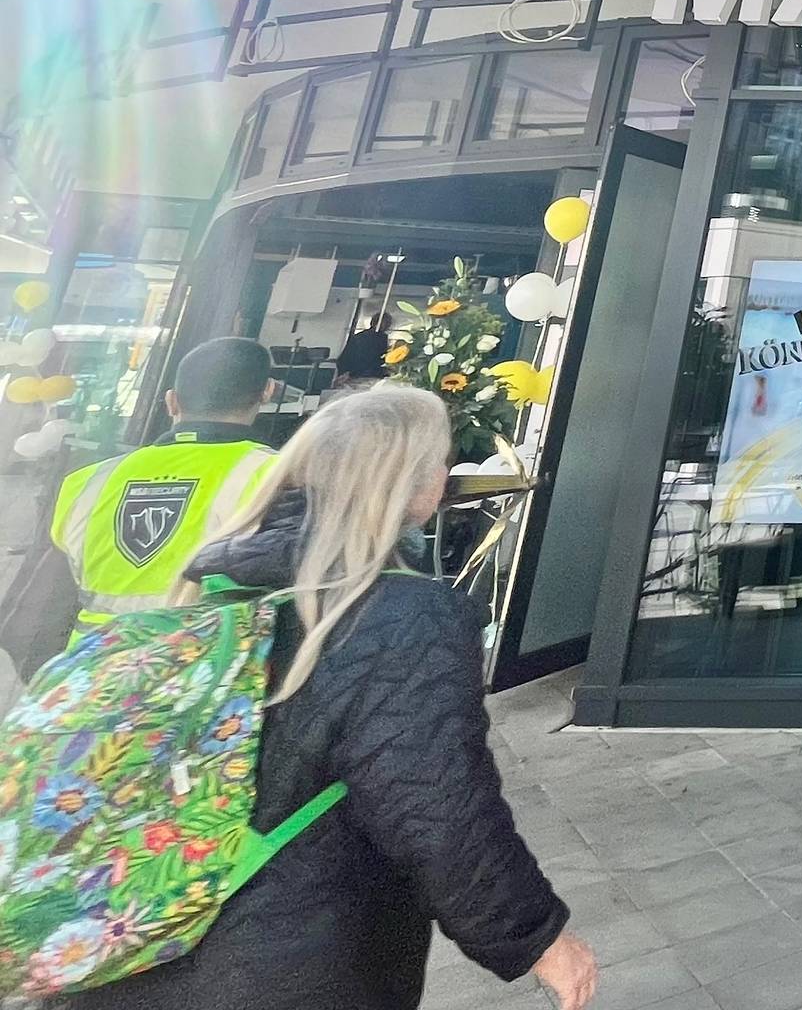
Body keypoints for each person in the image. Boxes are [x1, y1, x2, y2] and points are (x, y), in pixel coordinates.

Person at [64, 384, 596, 1010]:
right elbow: (437, 806)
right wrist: (540, 940)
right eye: (440, 462)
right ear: (414, 486)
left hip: (129, 948)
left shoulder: (210, 585)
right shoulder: (398, 616)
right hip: (279, 965)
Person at [49, 336, 280, 634]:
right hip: (206, 667)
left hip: (89, 668)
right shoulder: (278, 475)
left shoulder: (87, 481)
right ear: (267, 392)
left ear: (171, 401)